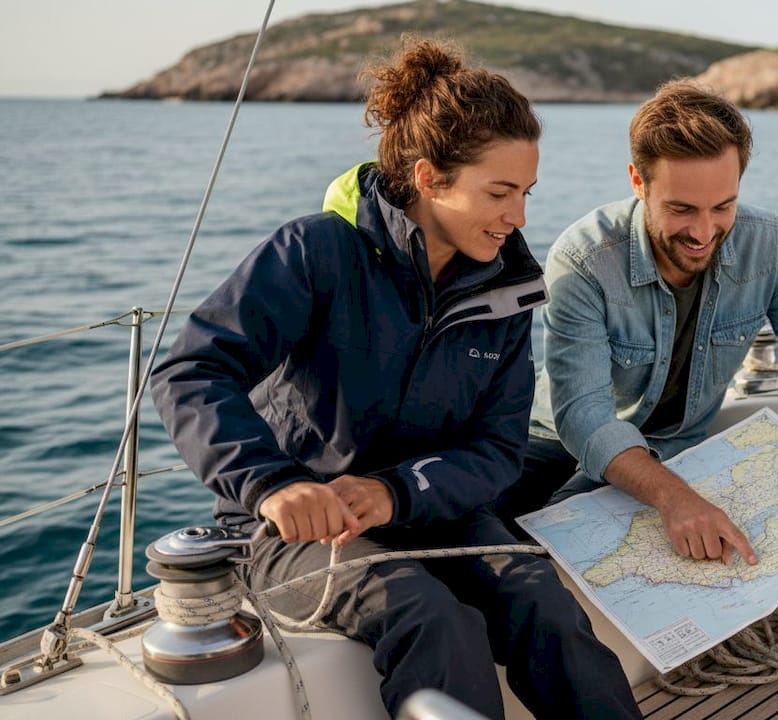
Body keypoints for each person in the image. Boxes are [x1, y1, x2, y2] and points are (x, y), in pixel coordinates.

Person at [150, 36, 640, 720]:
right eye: (500, 193)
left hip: (429, 508)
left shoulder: (506, 292)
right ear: (431, 178)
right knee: (431, 617)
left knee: (543, 603)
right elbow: (192, 371)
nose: (519, 218)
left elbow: (497, 450)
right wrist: (273, 484)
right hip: (297, 534)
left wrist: (394, 492)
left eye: (526, 193)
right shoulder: (316, 252)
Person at [495, 79, 778, 567]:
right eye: (681, 209)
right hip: (551, 438)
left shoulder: (769, 245)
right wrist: (675, 499)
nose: (704, 231)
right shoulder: (584, 258)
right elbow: (586, 419)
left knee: (556, 552)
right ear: (637, 181)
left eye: (723, 206)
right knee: (491, 543)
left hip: (675, 449)